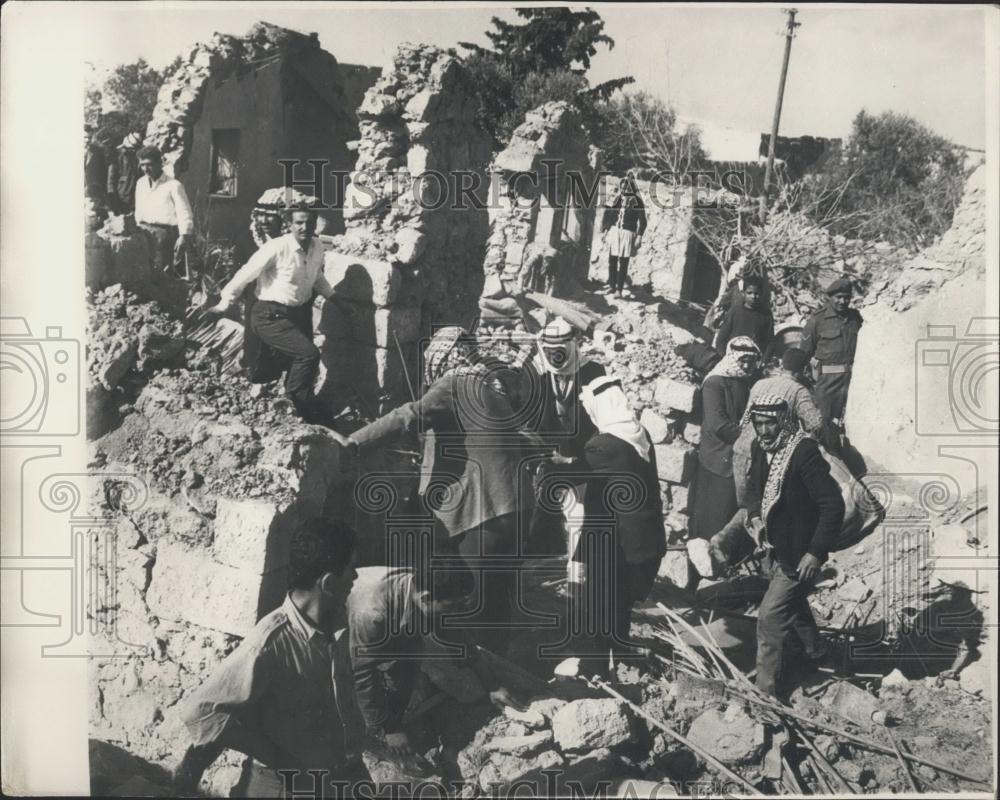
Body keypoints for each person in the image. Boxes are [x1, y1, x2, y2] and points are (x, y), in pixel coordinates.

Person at [347, 327, 534, 657]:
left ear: (443, 357)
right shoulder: (493, 386)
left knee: (469, 598)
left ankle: (478, 679)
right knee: (497, 595)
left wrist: (352, 442)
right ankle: (500, 667)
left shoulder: (455, 383)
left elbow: (409, 415)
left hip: (484, 509)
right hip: (515, 508)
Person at [173, 519, 372, 798]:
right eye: (351, 567)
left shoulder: (337, 618)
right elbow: (201, 711)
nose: (355, 576)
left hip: (343, 771)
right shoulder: (268, 643)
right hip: (286, 785)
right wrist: (276, 756)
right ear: (328, 582)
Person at [549, 375, 665, 676]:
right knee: (620, 602)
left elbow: (579, 473)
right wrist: (568, 462)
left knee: (596, 605)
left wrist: (549, 463)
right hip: (641, 535)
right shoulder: (639, 433)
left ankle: (594, 670)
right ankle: (621, 650)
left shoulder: (601, 444)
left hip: (614, 538)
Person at [347, 564, 523, 762]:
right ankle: (376, 740)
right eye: (450, 606)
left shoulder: (429, 593)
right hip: (346, 618)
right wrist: (390, 729)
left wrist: (492, 685)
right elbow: (362, 672)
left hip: (394, 613)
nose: (454, 611)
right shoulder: (371, 613)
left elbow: (457, 637)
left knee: (409, 661)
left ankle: (395, 721)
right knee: (353, 688)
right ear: (425, 598)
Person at [742, 395, 845, 698]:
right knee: (794, 606)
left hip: (800, 554)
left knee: (770, 619)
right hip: (775, 549)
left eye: (769, 423)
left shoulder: (803, 453)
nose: (763, 430)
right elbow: (753, 488)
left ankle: (766, 694)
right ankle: (820, 656)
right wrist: (756, 517)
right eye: (758, 423)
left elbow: (832, 505)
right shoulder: (761, 448)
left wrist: (815, 552)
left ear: (784, 421)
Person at [210, 205, 335, 423]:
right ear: (289, 224)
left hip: (298, 314)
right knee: (308, 355)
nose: (304, 227)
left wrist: (335, 298)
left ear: (315, 224)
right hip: (270, 315)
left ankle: (302, 409)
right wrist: (224, 303)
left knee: (296, 364)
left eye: (309, 223)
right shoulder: (277, 247)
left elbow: (316, 277)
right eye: (299, 223)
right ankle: (290, 405)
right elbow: (245, 274)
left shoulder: (317, 246)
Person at [732, 347, 826, 506]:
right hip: (765, 458)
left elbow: (746, 419)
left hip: (741, 452)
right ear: (804, 370)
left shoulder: (759, 384)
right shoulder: (798, 391)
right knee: (767, 512)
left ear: (782, 365)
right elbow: (815, 424)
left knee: (746, 509)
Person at [689, 336, 760, 542]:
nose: (746, 365)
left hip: (738, 459)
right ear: (731, 358)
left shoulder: (745, 381)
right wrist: (752, 440)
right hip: (718, 460)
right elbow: (718, 424)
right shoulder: (715, 383)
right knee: (712, 520)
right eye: (742, 360)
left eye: (750, 361)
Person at [799, 277, 864, 441]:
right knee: (822, 424)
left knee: (851, 425)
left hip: (852, 380)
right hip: (827, 382)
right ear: (830, 297)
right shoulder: (817, 320)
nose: (843, 301)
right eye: (838, 297)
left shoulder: (856, 319)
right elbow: (804, 354)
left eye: (846, 297)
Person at [134, 145, 195, 272]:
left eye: (149, 164)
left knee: (162, 273)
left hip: (164, 236)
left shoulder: (174, 185)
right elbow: (138, 209)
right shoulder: (140, 183)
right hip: (143, 233)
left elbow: (184, 212)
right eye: (142, 165)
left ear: (159, 163)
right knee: (144, 273)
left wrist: (184, 236)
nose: (146, 169)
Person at [600, 175, 647, 298]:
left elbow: (643, 222)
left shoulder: (637, 201)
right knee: (612, 260)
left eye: (626, 189)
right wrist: (606, 232)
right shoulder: (618, 200)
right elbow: (611, 216)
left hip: (627, 233)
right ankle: (611, 286)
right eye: (622, 188)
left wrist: (639, 237)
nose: (623, 191)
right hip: (615, 231)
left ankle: (619, 290)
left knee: (624, 262)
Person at [715, 275, 775, 357]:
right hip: (733, 356)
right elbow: (721, 338)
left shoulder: (766, 314)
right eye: (749, 293)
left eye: (756, 293)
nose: (753, 296)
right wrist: (724, 356)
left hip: (754, 359)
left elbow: (770, 341)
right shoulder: (735, 311)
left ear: (761, 294)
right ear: (743, 293)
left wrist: (764, 360)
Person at [108, 132, 142, 215]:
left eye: (135, 148)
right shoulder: (117, 156)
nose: (134, 150)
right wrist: (113, 201)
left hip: (135, 196)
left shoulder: (136, 156)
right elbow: (111, 180)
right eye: (132, 148)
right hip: (122, 196)